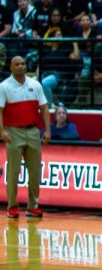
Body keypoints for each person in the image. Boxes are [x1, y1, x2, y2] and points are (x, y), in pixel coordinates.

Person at [0, 55, 51, 218]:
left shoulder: (35, 85)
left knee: (35, 171)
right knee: (13, 172)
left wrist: (48, 130)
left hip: (33, 131)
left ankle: (32, 206)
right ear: (11, 67)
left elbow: (44, 108)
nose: (21, 66)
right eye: (17, 64)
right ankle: (12, 206)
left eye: (23, 64)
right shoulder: (4, 86)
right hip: (13, 132)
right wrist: (2, 131)